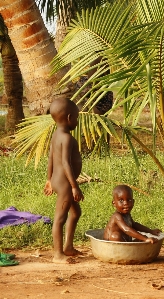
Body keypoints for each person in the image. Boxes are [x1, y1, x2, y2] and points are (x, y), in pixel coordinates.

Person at [44, 98, 84, 264]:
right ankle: (58, 254)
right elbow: (66, 163)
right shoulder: (67, 138)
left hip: (57, 180)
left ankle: (68, 247)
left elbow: (51, 158)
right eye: (76, 117)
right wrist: (74, 186)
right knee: (60, 218)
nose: (76, 120)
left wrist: (48, 179)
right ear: (69, 118)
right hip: (66, 183)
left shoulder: (56, 135)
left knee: (76, 213)